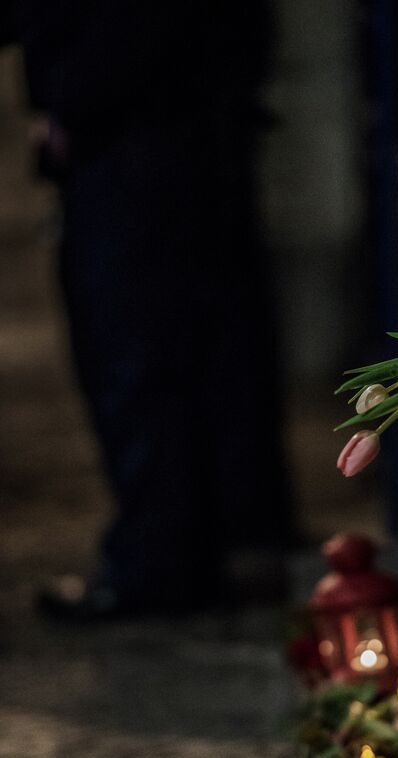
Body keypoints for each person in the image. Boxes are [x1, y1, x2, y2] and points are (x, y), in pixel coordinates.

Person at [2, 2, 290, 619]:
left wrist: (72, 99)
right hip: (172, 122)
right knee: (175, 346)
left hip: (136, 131)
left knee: (136, 352)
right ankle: (191, 546)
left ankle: (159, 562)